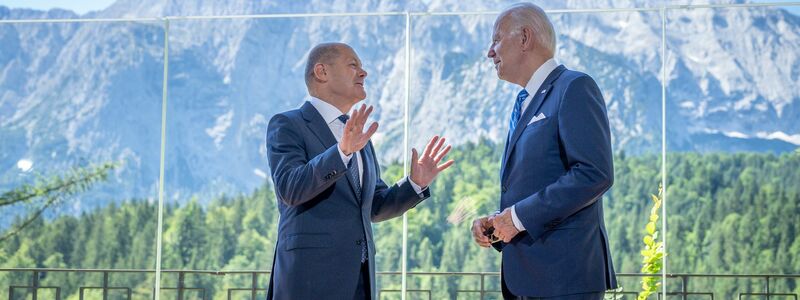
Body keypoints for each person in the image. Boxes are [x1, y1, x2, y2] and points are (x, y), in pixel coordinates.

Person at [266, 42, 454, 300]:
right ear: (321, 72)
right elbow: (290, 188)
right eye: (353, 65)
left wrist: (414, 184)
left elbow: (373, 206)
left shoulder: (359, 136)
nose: (363, 73)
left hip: (360, 281)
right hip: (309, 282)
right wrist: (341, 152)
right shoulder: (289, 124)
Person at [470, 3, 617, 299]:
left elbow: (594, 174)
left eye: (496, 39)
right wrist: (500, 222)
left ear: (525, 38)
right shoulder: (522, 101)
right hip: (527, 280)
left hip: (564, 280)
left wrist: (518, 217)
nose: (490, 52)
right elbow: (535, 182)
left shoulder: (574, 87)